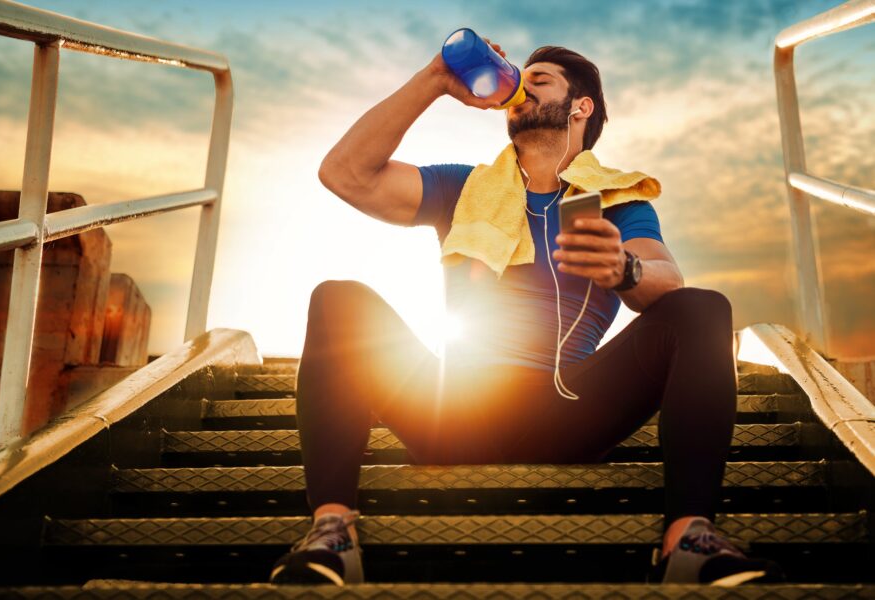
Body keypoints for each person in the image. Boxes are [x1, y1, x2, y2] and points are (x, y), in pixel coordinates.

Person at [268, 40, 785, 587]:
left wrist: (623, 268)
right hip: (456, 408)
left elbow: (667, 280)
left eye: (540, 79)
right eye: (521, 77)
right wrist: (435, 80)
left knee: (704, 306)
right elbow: (344, 174)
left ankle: (689, 537)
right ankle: (331, 531)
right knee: (338, 298)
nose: (521, 86)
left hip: (569, 410)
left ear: (580, 107)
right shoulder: (464, 187)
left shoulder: (619, 201)